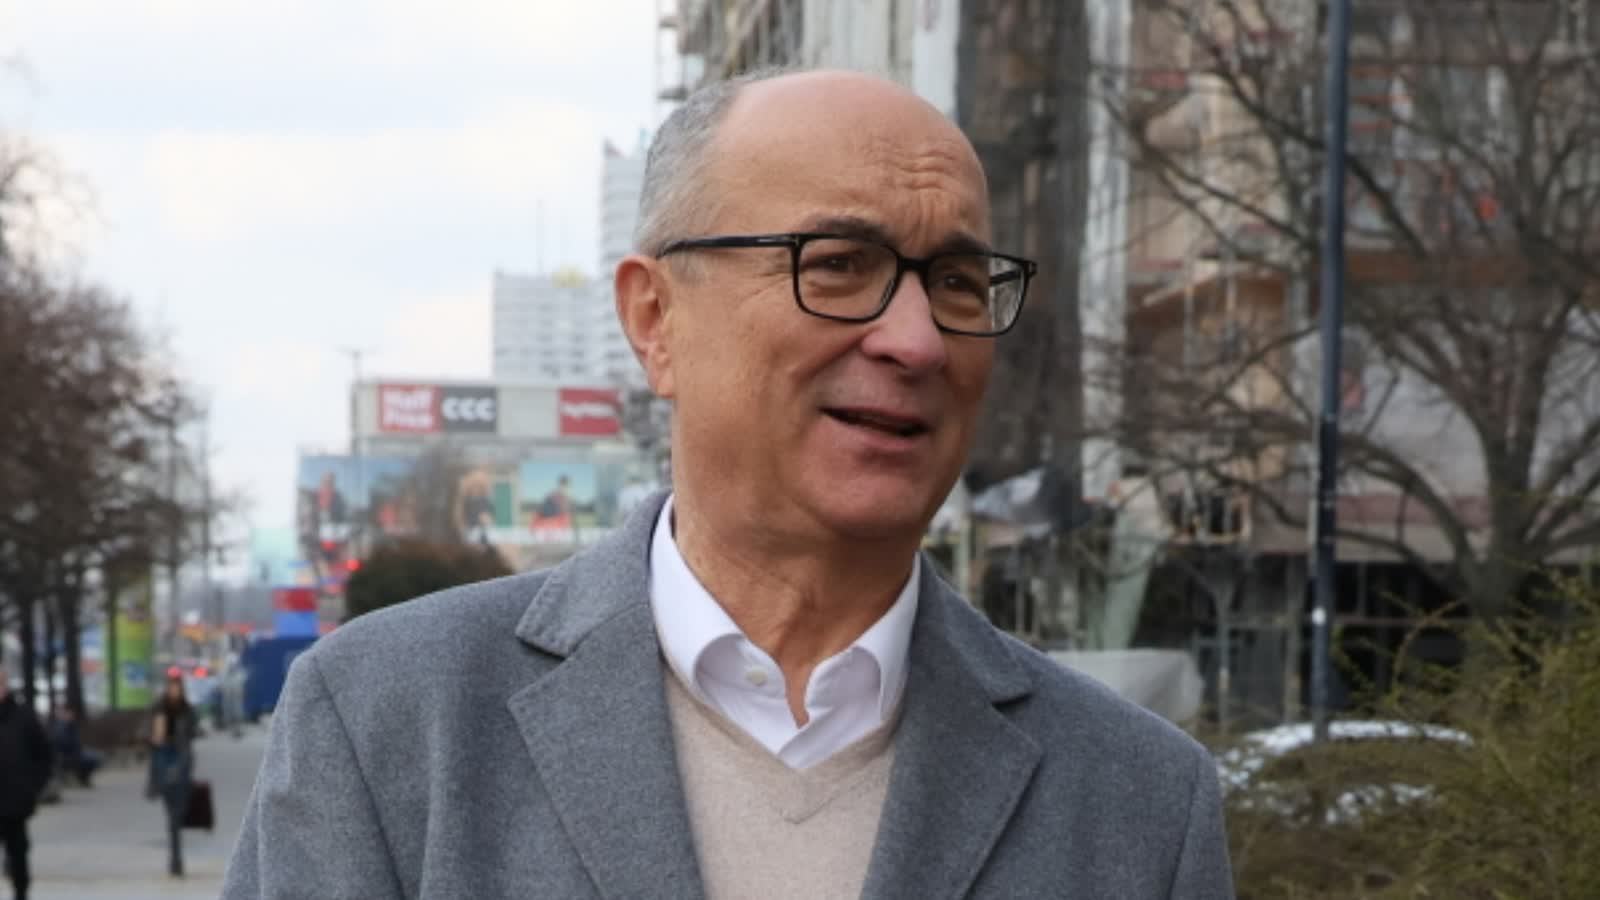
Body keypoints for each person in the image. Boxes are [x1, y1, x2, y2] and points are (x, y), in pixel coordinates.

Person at [224, 69, 1233, 899]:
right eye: (838, 264)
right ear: (655, 319)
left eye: (958, 283)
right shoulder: (390, 725)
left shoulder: (1139, 800)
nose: (918, 339)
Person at [0, 666, 51, 900]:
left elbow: (44, 755)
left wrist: (33, 786)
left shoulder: (23, 717)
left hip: (15, 800)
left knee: (18, 853)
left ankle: (21, 893)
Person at [149, 673, 197, 878]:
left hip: (182, 761)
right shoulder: (159, 709)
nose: (174, 691)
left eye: (177, 687)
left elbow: (193, 732)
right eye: (171, 687)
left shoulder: (187, 709)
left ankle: (176, 855)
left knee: (179, 811)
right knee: (172, 813)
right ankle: (175, 859)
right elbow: (153, 739)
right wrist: (157, 736)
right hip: (164, 759)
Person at [48, 707, 101, 787]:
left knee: (95, 756)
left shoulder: (69, 726)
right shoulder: (62, 727)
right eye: (68, 714)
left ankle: (82, 778)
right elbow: (65, 744)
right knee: (93, 758)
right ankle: (82, 778)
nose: (71, 716)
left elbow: (75, 742)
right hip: (68, 755)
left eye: (71, 714)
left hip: (74, 753)